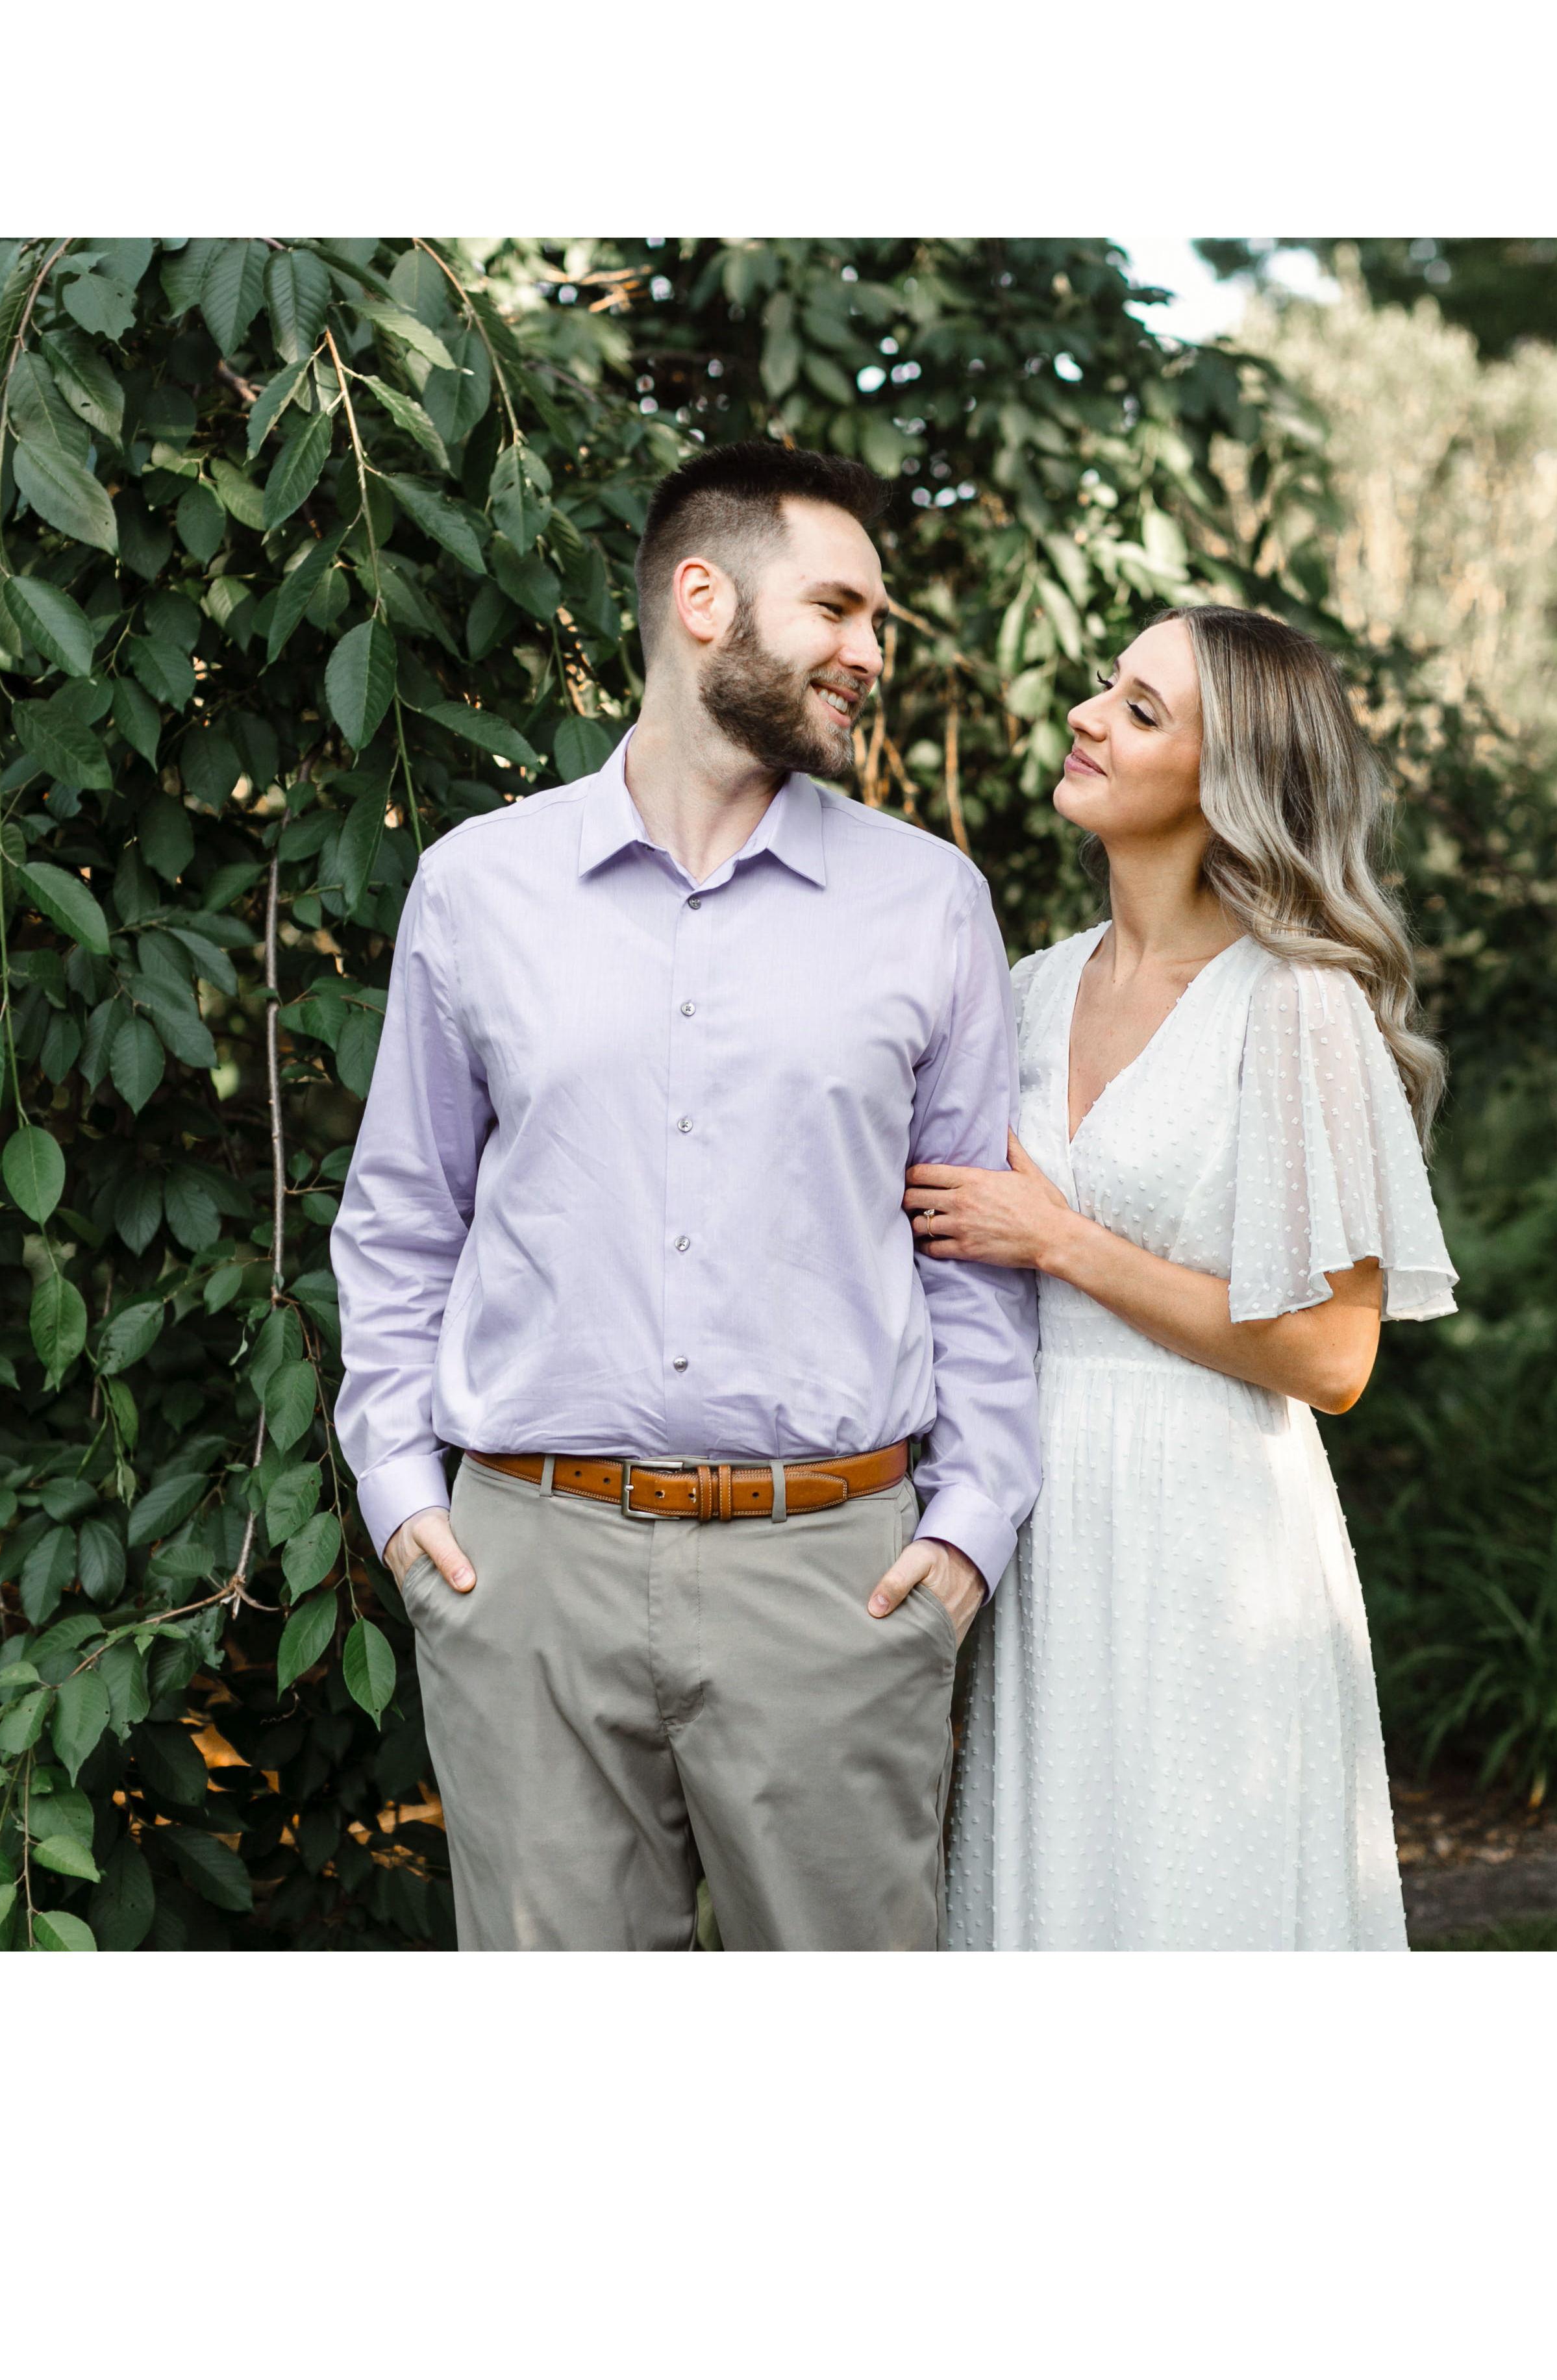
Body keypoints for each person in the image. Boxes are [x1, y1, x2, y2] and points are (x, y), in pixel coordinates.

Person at [331, 441, 1039, 1952]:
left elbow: (970, 1248)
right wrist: (399, 1494)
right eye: (839, 609)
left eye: (876, 622)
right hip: (527, 1573)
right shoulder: (477, 887)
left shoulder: (929, 904)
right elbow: (403, 1214)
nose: (871, 654)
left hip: (836, 1581)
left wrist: (973, 1522)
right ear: (703, 600)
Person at [906, 606, 1456, 1951]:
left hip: (1213, 1530)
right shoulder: (1026, 992)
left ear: (1230, 782)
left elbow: (1334, 1358)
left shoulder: (1296, 1002)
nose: (1089, 715)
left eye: (1141, 711)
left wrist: (1060, 1240)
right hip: (1043, 1516)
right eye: (1110, 687)